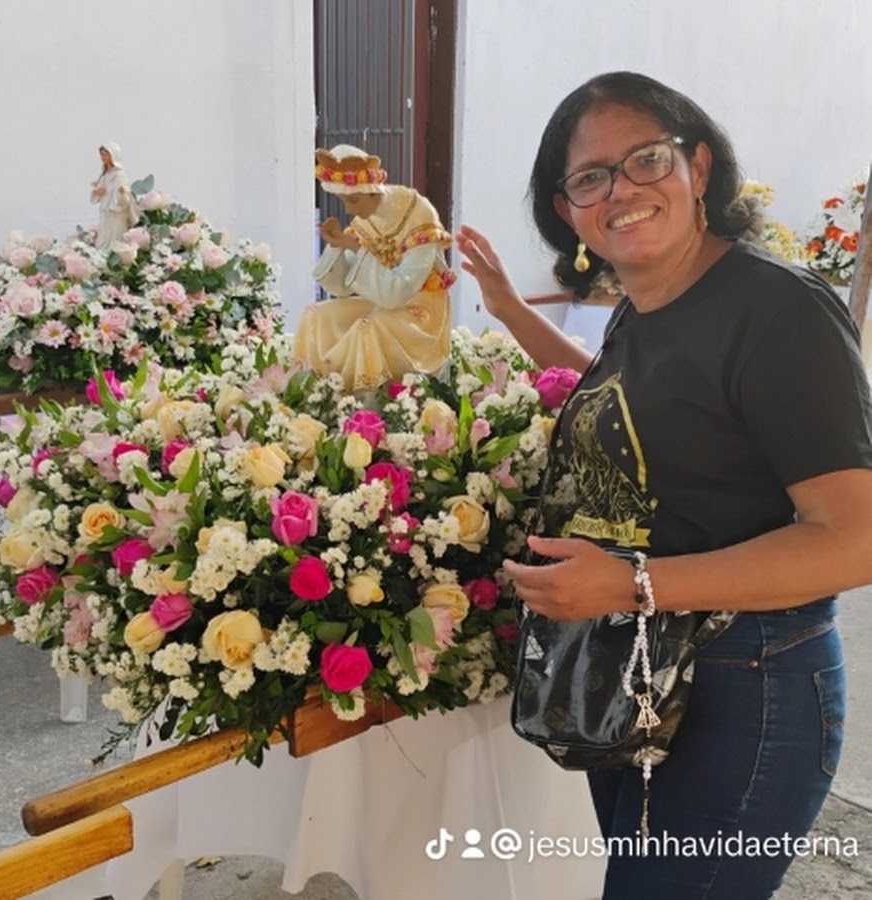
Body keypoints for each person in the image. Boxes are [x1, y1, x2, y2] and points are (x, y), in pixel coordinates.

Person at [456, 71, 872, 899]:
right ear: (568, 209)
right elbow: (620, 400)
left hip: (747, 682)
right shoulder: (643, 305)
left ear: (699, 167)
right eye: (590, 178)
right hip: (636, 669)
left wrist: (634, 584)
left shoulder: (776, 311)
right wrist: (506, 308)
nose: (620, 190)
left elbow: (854, 539)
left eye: (645, 159)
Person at [293, 145, 453, 392]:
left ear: (372, 192)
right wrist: (337, 245)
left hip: (420, 310)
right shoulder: (365, 221)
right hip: (381, 304)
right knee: (315, 315)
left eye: (353, 200)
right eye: (344, 201)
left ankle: (363, 403)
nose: (349, 210)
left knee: (367, 327)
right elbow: (341, 288)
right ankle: (314, 395)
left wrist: (356, 248)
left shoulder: (418, 214)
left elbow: (397, 293)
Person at [90, 143, 139, 249]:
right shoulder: (104, 174)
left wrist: (122, 193)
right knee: (103, 238)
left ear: (113, 156)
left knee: (116, 237)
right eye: (102, 155)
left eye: (105, 155)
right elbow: (98, 191)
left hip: (116, 211)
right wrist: (96, 192)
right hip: (105, 211)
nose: (103, 157)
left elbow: (124, 194)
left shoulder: (119, 174)